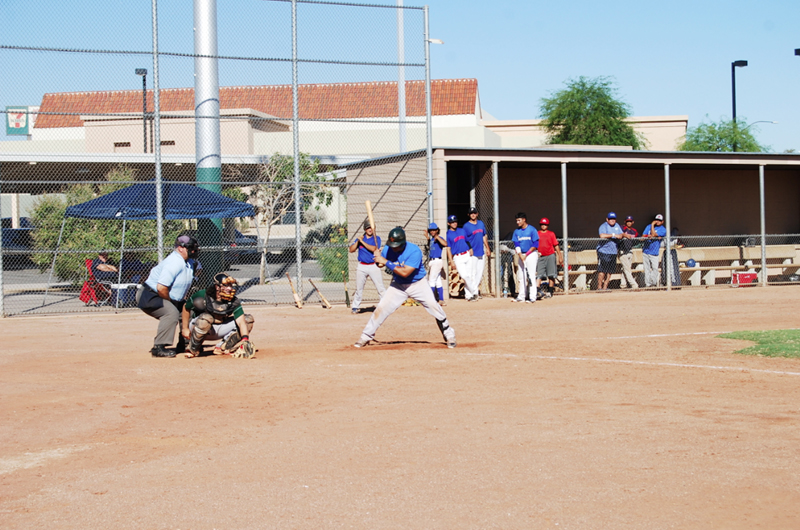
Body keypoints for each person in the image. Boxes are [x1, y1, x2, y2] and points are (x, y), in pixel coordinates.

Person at [354, 226, 456, 349]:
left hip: (417, 283)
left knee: (433, 306)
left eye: (396, 245)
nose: (394, 248)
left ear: (403, 243)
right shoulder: (389, 248)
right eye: (392, 245)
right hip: (398, 285)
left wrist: (385, 261)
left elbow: (405, 272)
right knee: (381, 308)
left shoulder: (414, 251)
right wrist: (377, 257)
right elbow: (380, 264)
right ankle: (365, 336)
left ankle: (449, 333)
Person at [136, 235, 200, 358]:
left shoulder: (189, 262)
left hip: (165, 295)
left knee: (188, 311)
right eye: (190, 248)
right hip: (150, 294)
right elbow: (161, 287)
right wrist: (171, 302)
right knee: (171, 313)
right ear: (180, 248)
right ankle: (158, 347)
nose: (194, 251)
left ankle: (185, 343)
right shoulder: (174, 262)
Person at [181, 273, 256, 359]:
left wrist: (245, 340)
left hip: (219, 328)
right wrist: (185, 328)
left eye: (230, 285)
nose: (230, 288)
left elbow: (241, 322)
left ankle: (222, 347)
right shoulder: (203, 294)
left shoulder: (233, 300)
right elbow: (185, 307)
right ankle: (193, 349)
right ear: (217, 287)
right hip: (199, 326)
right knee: (206, 318)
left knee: (248, 320)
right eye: (226, 285)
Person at [348, 222, 386, 314]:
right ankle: (355, 307)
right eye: (368, 228)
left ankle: (385, 306)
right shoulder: (360, 238)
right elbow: (351, 250)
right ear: (365, 229)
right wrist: (358, 241)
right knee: (359, 288)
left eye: (371, 228)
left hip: (374, 265)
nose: (370, 229)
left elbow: (374, 248)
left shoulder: (376, 238)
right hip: (362, 266)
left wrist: (362, 242)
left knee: (380, 287)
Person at [463, 207, 491, 301]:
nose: (473, 214)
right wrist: (469, 248)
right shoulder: (466, 226)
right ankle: (468, 294)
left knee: (479, 274)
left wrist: (487, 248)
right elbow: (464, 239)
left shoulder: (481, 223)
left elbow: (484, 236)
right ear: (469, 215)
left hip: (480, 252)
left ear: (477, 214)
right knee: (471, 274)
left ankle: (474, 292)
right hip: (472, 253)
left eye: (474, 213)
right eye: (471, 213)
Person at [445, 214, 475, 301]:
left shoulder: (462, 230)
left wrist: (470, 249)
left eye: (455, 222)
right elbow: (448, 249)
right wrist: (451, 261)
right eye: (452, 222)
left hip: (466, 254)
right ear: (448, 223)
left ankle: (469, 295)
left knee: (469, 275)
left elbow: (467, 241)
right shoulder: (448, 234)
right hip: (457, 257)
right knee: (464, 276)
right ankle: (474, 291)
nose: (454, 223)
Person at [511, 212, 539, 303]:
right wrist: (520, 255)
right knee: (521, 276)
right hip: (521, 254)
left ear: (524, 220)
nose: (517, 222)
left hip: (530, 254)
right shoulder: (517, 231)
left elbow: (536, 244)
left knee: (530, 275)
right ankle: (521, 296)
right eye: (516, 220)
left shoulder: (532, 230)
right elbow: (516, 243)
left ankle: (532, 297)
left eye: (519, 220)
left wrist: (526, 254)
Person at [536, 217, 563, 299]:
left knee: (551, 275)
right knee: (539, 275)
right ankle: (537, 291)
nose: (543, 226)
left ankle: (550, 292)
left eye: (545, 224)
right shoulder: (537, 233)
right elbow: (534, 245)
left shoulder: (551, 234)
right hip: (540, 256)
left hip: (550, 255)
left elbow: (556, 245)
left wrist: (560, 256)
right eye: (542, 224)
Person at [597, 212, 624, 290]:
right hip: (603, 251)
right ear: (607, 219)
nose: (612, 220)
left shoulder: (617, 225)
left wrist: (621, 235)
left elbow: (621, 234)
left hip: (613, 252)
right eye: (610, 219)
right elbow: (602, 235)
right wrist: (614, 235)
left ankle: (605, 286)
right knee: (602, 270)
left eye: (614, 219)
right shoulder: (603, 226)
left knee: (610, 271)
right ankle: (599, 287)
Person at [425, 223, 448, 305]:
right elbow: (431, 247)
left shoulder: (438, 238)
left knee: (431, 281)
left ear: (437, 230)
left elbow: (445, 244)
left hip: (437, 261)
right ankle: (441, 300)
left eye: (434, 230)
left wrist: (437, 237)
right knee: (438, 281)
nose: (432, 232)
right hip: (432, 261)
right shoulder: (431, 240)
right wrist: (428, 238)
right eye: (431, 230)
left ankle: (431, 300)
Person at [641, 214, 666, 288]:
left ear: (662, 222)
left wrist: (652, 225)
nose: (657, 222)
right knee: (646, 269)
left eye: (659, 221)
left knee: (655, 269)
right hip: (646, 250)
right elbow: (642, 237)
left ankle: (653, 283)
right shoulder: (648, 226)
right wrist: (646, 236)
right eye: (656, 220)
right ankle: (648, 284)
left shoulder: (663, 229)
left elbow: (654, 234)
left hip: (654, 252)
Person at [619, 216, 639, 289]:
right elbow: (619, 233)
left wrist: (646, 237)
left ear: (633, 222)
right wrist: (625, 235)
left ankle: (623, 285)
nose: (629, 223)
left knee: (626, 268)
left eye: (630, 221)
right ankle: (634, 285)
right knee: (627, 268)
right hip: (622, 251)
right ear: (625, 222)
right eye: (627, 221)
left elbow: (639, 238)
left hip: (630, 251)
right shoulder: (622, 228)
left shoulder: (634, 230)